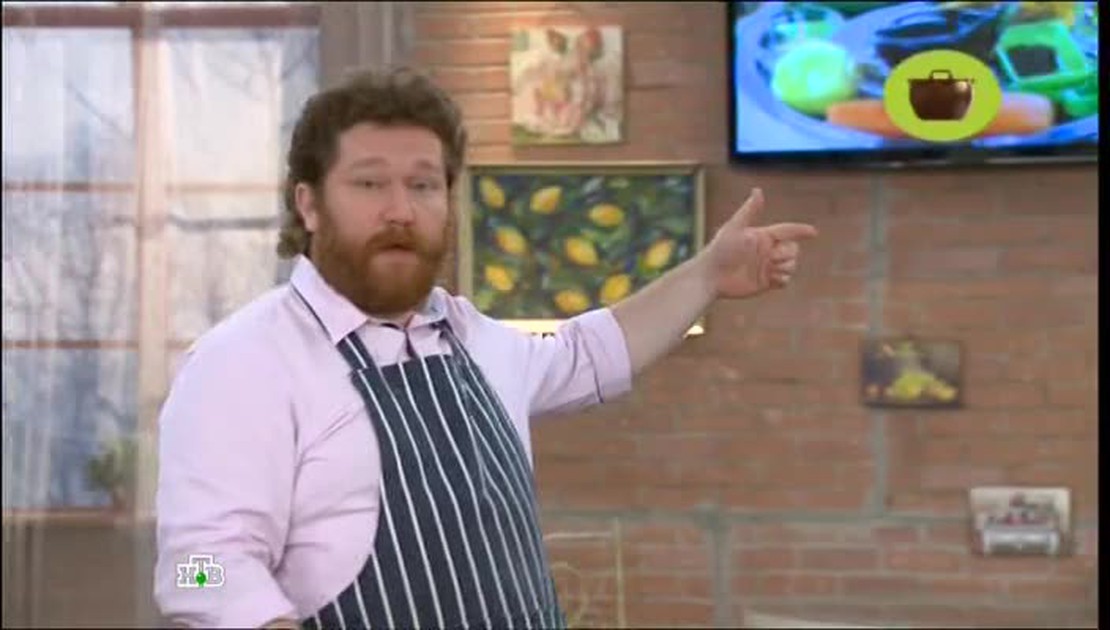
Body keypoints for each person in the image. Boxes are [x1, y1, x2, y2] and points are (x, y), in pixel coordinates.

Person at [153, 67, 817, 630]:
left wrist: (706, 275)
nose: (400, 210)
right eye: (369, 183)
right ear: (309, 204)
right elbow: (193, 565)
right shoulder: (242, 364)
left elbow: (589, 352)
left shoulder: (472, 338)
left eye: (423, 185)